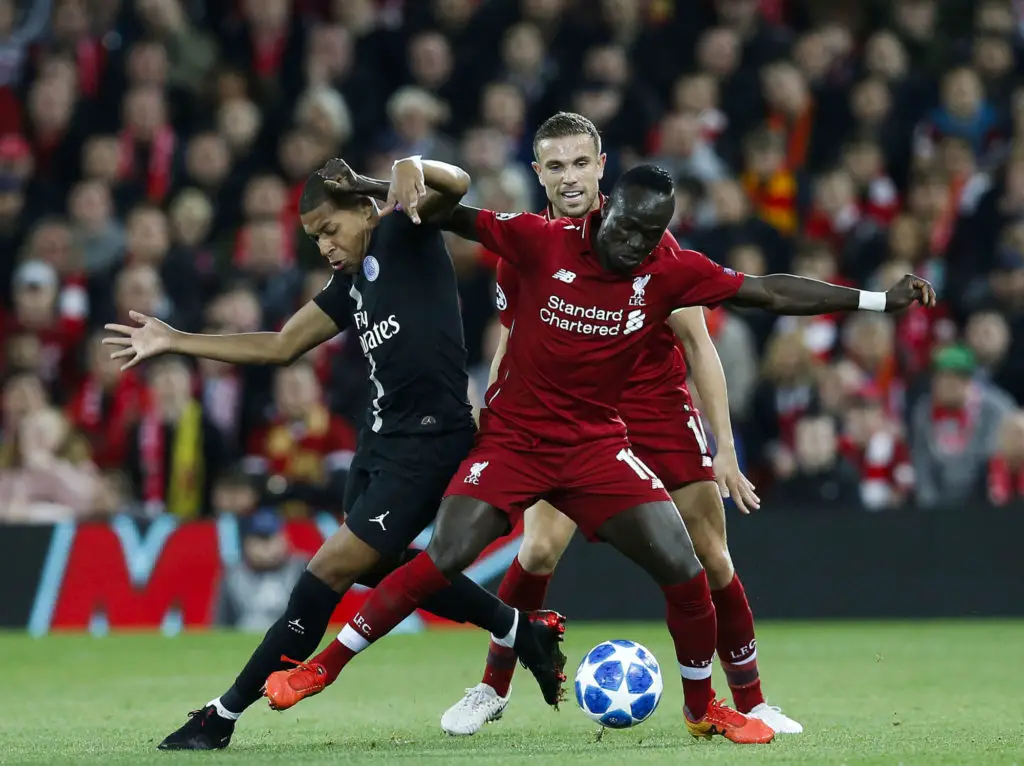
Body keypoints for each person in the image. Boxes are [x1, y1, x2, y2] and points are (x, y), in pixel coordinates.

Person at [264, 162, 934, 744]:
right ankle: (327, 667)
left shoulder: (667, 268)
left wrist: (878, 300)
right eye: (628, 229)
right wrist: (384, 182)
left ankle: (703, 709)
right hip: (516, 441)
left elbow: (769, 291)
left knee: (685, 564)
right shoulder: (540, 239)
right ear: (606, 209)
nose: (635, 244)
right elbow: (451, 211)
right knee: (447, 556)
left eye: (650, 235)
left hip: (594, 445)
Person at [104, 157, 567, 751]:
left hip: (431, 442)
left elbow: (456, 183)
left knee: (323, 575)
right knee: (376, 568)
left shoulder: (406, 230)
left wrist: (402, 168)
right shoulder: (351, 283)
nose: (324, 246)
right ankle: (520, 630)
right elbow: (280, 346)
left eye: (329, 229)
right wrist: (175, 340)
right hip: (378, 444)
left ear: (364, 211)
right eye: (314, 238)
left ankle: (220, 716)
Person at [439, 112, 800, 736]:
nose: (570, 177)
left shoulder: (647, 237)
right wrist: (492, 417)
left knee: (710, 556)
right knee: (539, 548)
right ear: (538, 173)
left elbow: (699, 344)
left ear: (601, 166)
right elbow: (512, 343)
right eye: (557, 166)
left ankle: (751, 700)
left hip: (655, 408)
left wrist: (725, 447)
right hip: (568, 414)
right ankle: (492, 688)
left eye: (581, 163)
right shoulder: (523, 247)